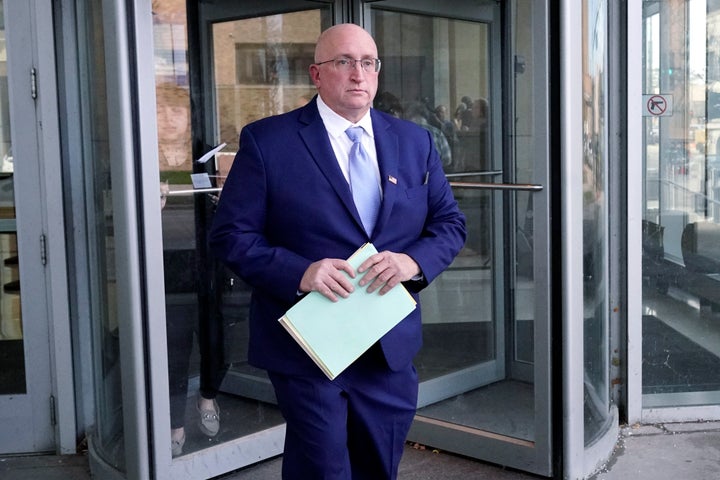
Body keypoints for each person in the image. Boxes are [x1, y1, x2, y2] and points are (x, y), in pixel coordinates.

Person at [209, 23, 466, 479]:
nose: (358, 74)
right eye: (343, 62)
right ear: (316, 73)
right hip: (309, 346)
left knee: (376, 465)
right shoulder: (268, 142)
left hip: (387, 348)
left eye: (368, 63)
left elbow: (449, 224)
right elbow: (231, 236)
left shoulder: (415, 142)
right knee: (322, 467)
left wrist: (414, 262)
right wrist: (300, 272)